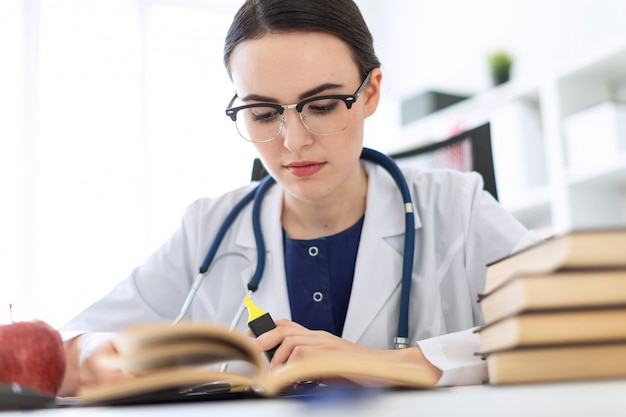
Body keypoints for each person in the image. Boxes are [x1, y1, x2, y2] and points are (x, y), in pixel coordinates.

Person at [58, 0, 540, 397]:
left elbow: (585, 325)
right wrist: (89, 356)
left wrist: (387, 364)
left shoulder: (455, 206)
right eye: (263, 113)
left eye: (323, 106)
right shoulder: (209, 228)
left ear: (370, 92)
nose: (293, 141)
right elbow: (67, 341)